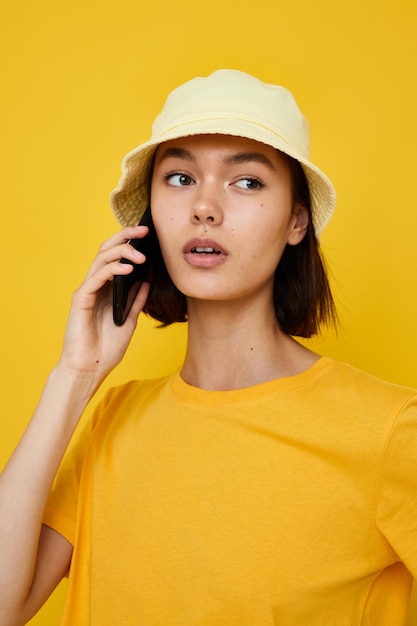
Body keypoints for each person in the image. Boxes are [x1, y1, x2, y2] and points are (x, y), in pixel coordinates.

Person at [0, 69, 416, 626]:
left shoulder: (389, 431)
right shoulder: (112, 421)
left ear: (297, 221)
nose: (204, 207)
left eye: (246, 182)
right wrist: (74, 375)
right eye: (178, 177)